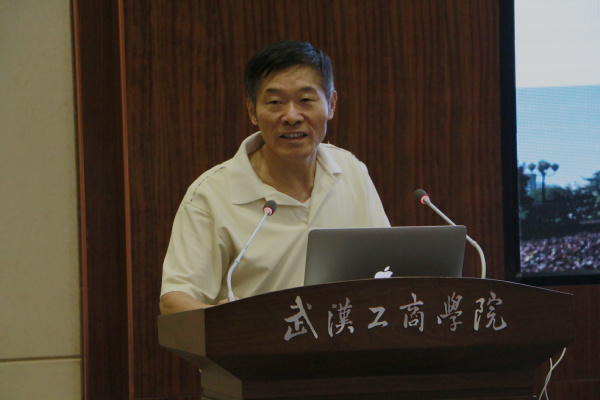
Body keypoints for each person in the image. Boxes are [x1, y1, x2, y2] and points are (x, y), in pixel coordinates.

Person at [159, 40, 390, 314]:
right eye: (275, 102)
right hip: (255, 341)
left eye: (306, 100)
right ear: (252, 111)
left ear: (331, 105)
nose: (291, 116)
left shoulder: (351, 171)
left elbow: (388, 267)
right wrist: (221, 322)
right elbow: (174, 300)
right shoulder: (210, 195)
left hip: (344, 335)